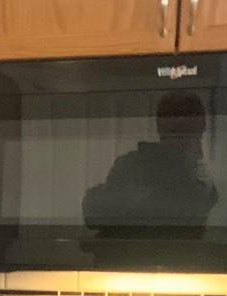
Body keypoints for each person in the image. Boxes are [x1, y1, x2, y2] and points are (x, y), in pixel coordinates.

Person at [83, 91, 219, 234]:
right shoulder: (134, 165)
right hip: (131, 253)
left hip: (185, 252)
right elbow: (93, 216)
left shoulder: (200, 172)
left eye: (190, 134)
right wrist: (132, 195)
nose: (181, 142)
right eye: (174, 133)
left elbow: (206, 215)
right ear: (161, 130)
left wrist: (205, 184)